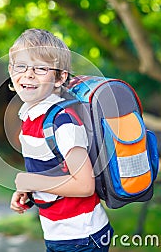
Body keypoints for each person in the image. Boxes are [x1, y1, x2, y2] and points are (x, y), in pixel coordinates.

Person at [8, 28, 113, 252]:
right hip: (58, 232)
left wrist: (31, 182)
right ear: (11, 70)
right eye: (21, 66)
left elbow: (85, 185)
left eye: (41, 68)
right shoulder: (30, 116)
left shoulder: (62, 123)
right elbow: (53, 171)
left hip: (83, 235)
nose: (28, 74)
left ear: (60, 77)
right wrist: (29, 190)